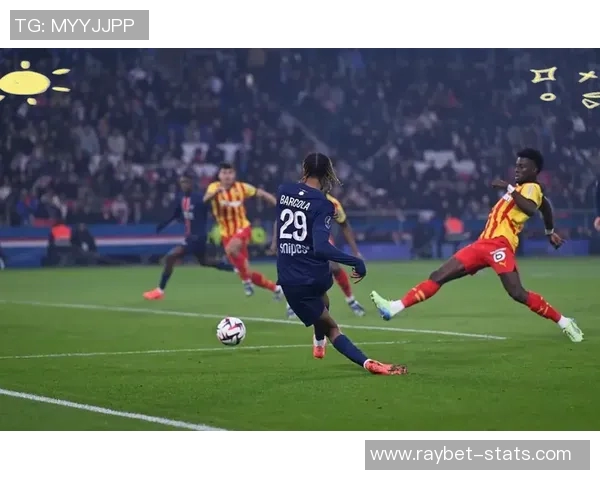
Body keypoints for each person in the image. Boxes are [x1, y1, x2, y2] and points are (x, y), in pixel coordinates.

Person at [370, 148, 584, 343]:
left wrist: (509, 188)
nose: (517, 169)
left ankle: (565, 322)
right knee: (438, 275)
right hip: (482, 244)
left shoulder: (531, 188)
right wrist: (549, 231)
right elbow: (545, 207)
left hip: (500, 246)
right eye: (516, 165)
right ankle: (394, 307)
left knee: (517, 293)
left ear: (534, 170)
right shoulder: (522, 189)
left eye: (522, 166)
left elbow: (530, 208)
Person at [276, 152, 407, 375]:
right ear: (328, 174)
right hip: (309, 275)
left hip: (291, 273)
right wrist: (355, 260)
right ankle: (367, 363)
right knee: (332, 326)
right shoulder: (324, 204)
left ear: (304, 169)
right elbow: (321, 247)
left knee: (324, 306)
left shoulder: (283, 191)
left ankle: (321, 338)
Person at [143, 173, 234, 300]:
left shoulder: (199, 198)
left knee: (171, 256)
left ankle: (159, 290)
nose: (183, 185)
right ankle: (236, 269)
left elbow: (211, 205)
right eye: (182, 182)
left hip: (197, 237)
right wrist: (163, 225)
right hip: (192, 238)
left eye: (186, 182)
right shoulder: (181, 199)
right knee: (206, 262)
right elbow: (175, 215)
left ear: (191, 183)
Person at [279, 191, 366, 318]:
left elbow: (344, 225)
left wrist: (356, 252)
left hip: (320, 238)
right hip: (299, 236)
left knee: (334, 267)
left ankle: (351, 300)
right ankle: (291, 304)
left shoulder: (333, 203)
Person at [204, 163, 283, 299]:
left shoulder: (242, 187)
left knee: (230, 251)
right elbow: (205, 199)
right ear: (219, 175)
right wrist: (215, 193)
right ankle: (276, 289)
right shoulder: (213, 187)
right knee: (245, 270)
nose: (227, 176)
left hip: (242, 228)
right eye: (224, 173)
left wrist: (278, 205)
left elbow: (260, 193)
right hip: (226, 233)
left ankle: (246, 282)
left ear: (234, 174)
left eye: (230, 173)